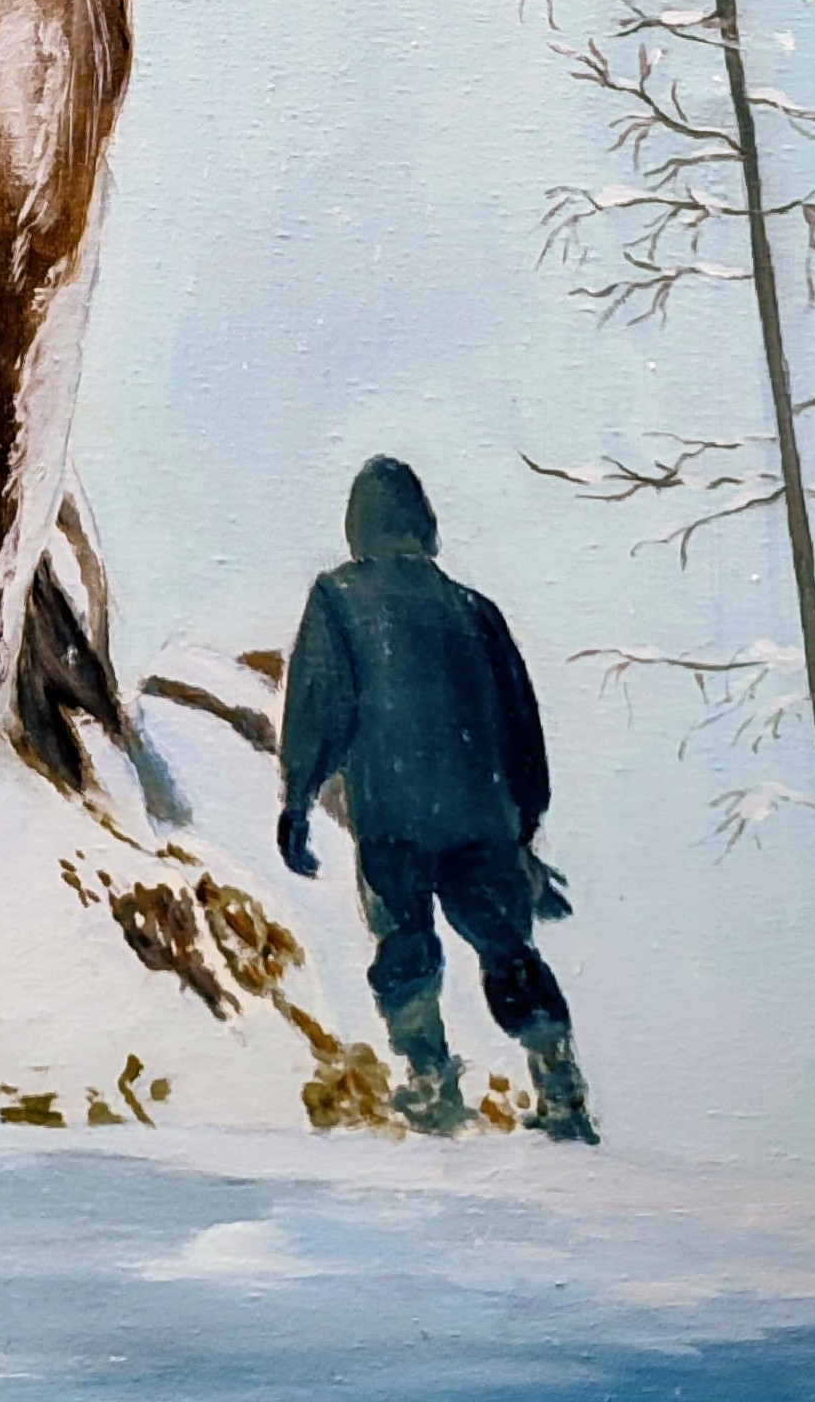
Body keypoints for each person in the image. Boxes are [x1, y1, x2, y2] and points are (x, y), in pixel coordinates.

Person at [277, 457, 598, 1143]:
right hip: (482, 819)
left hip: (392, 812)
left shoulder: (338, 598)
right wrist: (524, 830)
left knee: (405, 943)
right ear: (424, 525)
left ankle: (431, 1083)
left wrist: (298, 799)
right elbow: (522, 729)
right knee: (507, 947)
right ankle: (560, 1084)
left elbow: (319, 703)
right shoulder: (475, 611)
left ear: (359, 526)